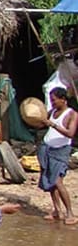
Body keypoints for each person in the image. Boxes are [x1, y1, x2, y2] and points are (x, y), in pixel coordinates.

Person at [37, 86, 77, 224]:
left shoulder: (72, 114)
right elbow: (41, 124)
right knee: (50, 182)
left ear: (63, 99)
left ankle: (70, 213)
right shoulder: (52, 111)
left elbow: (70, 133)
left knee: (57, 181)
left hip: (60, 151)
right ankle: (57, 211)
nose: (52, 103)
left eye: (54, 101)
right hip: (47, 148)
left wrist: (53, 125)